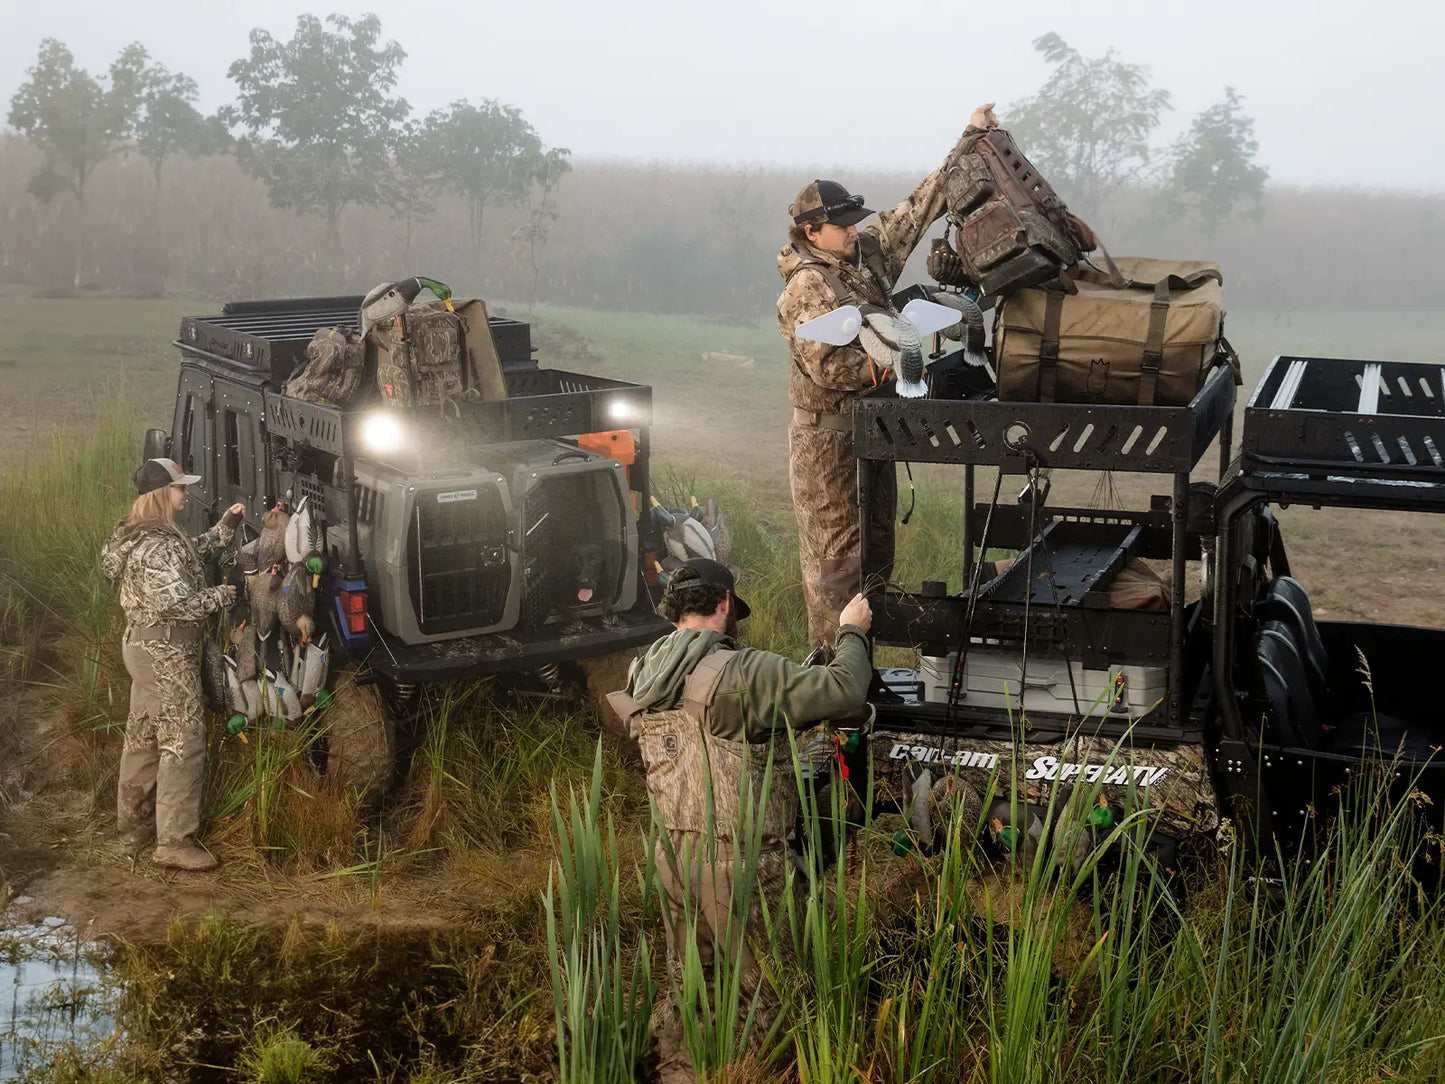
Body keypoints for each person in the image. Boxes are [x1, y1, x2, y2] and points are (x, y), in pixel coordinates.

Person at [607, 558, 872, 1078]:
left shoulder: (644, 669)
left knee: (692, 988)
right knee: (769, 997)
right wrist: (851, 632)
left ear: (674, 610)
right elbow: (844, 690)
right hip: (742, 864)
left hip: (672, 859)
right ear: (725, 604)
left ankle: (681, 1073)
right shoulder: (745, 671)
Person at [777, 102, 1000, 647]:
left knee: (877, 557)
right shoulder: (807, 287)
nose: (854, 231)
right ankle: (831, 690)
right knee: (838, 567)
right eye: (841, 225)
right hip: (828, 443)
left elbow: (918, 208)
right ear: (811, 231)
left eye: (854, 221)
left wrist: (967, 139)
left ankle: (862, 673)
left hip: (874, 432)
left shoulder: (866, 256)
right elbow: (829, 368)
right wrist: (901, 358)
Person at [100, 458, 244, 871]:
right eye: (180, 488)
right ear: (163, 493)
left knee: (143, 735)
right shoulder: (157, 545)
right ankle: (175, 842)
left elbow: (189, 557)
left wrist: (226, 529)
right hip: (164, 651)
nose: (185, 493)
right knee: (184, 738)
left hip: (144, 647)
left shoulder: (145, 534)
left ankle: (134, 828)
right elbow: (177, 602)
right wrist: (223, 595)